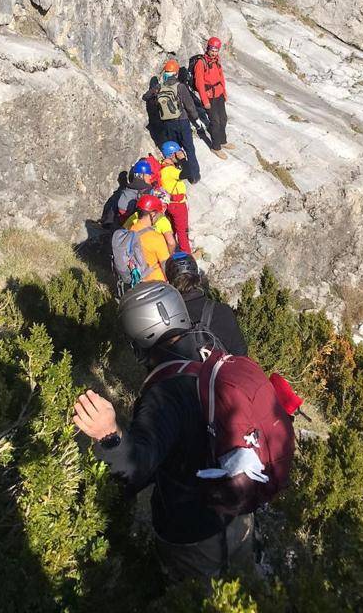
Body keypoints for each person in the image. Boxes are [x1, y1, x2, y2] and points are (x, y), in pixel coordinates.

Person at [72, 283, 257, 580]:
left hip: (195, 529)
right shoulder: (211, 350)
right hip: (240, 505)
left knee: (204, 612)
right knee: (249, 588)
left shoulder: (165, 392)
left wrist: (109, 434)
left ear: (137, 339)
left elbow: (135, 473)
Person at [166, 251, 247, 356]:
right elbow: (241, 354)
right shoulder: (222, 311)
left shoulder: (167, 320)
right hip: (219, 371)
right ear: (198, 277)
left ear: (169, 282)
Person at [146, 60, 202, 184]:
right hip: (182, 121)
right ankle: (194, 176)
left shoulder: (160, 87)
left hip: (168, 123)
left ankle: (178, 173)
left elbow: (146, 96)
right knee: (189, 149)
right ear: (176, 73)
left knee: (174, 150)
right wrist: (196, 118)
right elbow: (190, 106)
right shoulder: (180, 86)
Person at [193, 37, 232, 160]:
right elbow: (199, 83)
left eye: (216, 50)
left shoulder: (216, 61)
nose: (214, 52)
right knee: (215, 122)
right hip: (209, 96)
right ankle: (216, 147)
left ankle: (223, 140)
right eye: (212, 49)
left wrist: (224, 92)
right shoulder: (201, 63)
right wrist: (204, 101)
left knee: (223, 119)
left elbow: (221, 77)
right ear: (208, 48)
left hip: (219, 93)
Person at [127, 194, 170, 282]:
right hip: (157, 283)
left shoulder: (130, 230)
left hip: (136, 281)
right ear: (153, 214)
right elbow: (166, 265)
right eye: (158, 214)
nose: (158, 217)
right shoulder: (156, 238)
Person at [158, 140, 191, 255]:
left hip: (171, 204)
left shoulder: (163, 167)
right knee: (183, 232)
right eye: (177, 153)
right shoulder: (170, 170)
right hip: (178, 205)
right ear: (172, 155)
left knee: (174, 229)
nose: (180, 154)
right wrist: (183, 159)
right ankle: (186, 255)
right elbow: (188, 173)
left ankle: (171, 250)